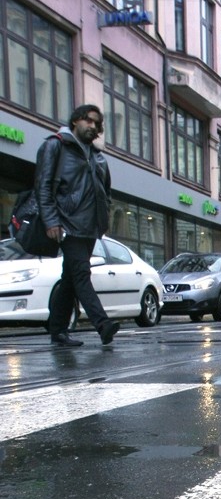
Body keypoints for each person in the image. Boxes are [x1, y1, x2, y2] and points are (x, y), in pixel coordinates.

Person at [36, 104, 121, 346]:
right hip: (67, 225)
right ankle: (102, 324)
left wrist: (103, 219)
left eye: (96, 123)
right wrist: (51, 220)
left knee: (70, 279)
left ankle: (58, 331)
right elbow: (43, 185)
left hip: (90, 227)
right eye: (88, 121)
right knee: (81, 274)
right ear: (75, 121)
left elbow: (106, 192)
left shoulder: (98, 157)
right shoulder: (56, 145)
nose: (92, 126)